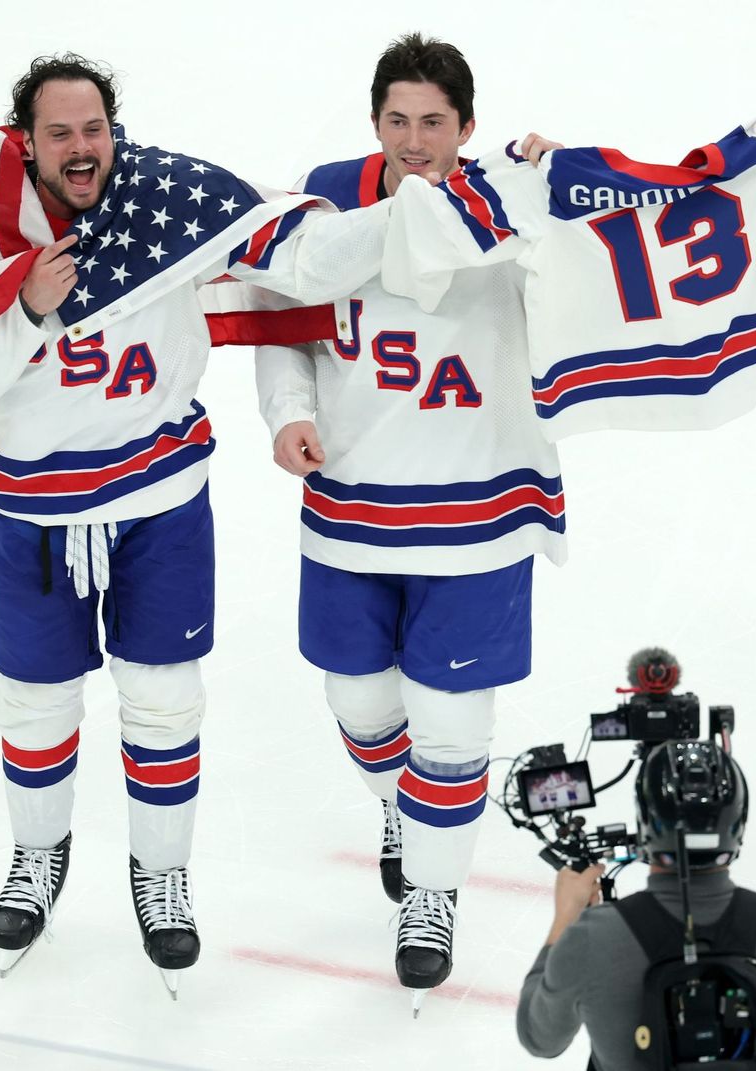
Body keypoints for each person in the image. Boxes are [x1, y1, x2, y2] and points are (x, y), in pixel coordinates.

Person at [0, 53, 392, 994]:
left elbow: (301, 262)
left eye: (94, 129)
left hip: (159, 498)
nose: (80, 148)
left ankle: (163, 875)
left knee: (164, 697)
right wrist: (28, 309)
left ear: (114, 130)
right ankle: (37, 856)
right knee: (34, 699)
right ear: (26, 141)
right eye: (60, 132)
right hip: (31, 509)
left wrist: (438, 207)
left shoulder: (168, 208)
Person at [254, 33, 565, 998]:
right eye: (398, 120)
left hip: (479, 508)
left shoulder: (510, 202)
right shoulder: (325, 200)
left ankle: (433, 891)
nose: (415, 139)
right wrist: (290, 412)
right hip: (350, 504)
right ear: (375, 122)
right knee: (358, 701)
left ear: (468, 128)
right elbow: (282, 319)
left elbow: (606, 274)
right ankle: (408, 810)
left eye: (434, 122)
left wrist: (565, 196)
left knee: (453, 726)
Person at [518, 742, 756, 1069]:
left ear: (644, 820)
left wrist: (566, 918)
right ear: (738, 823)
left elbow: (539, 1038)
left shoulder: (594, 936)